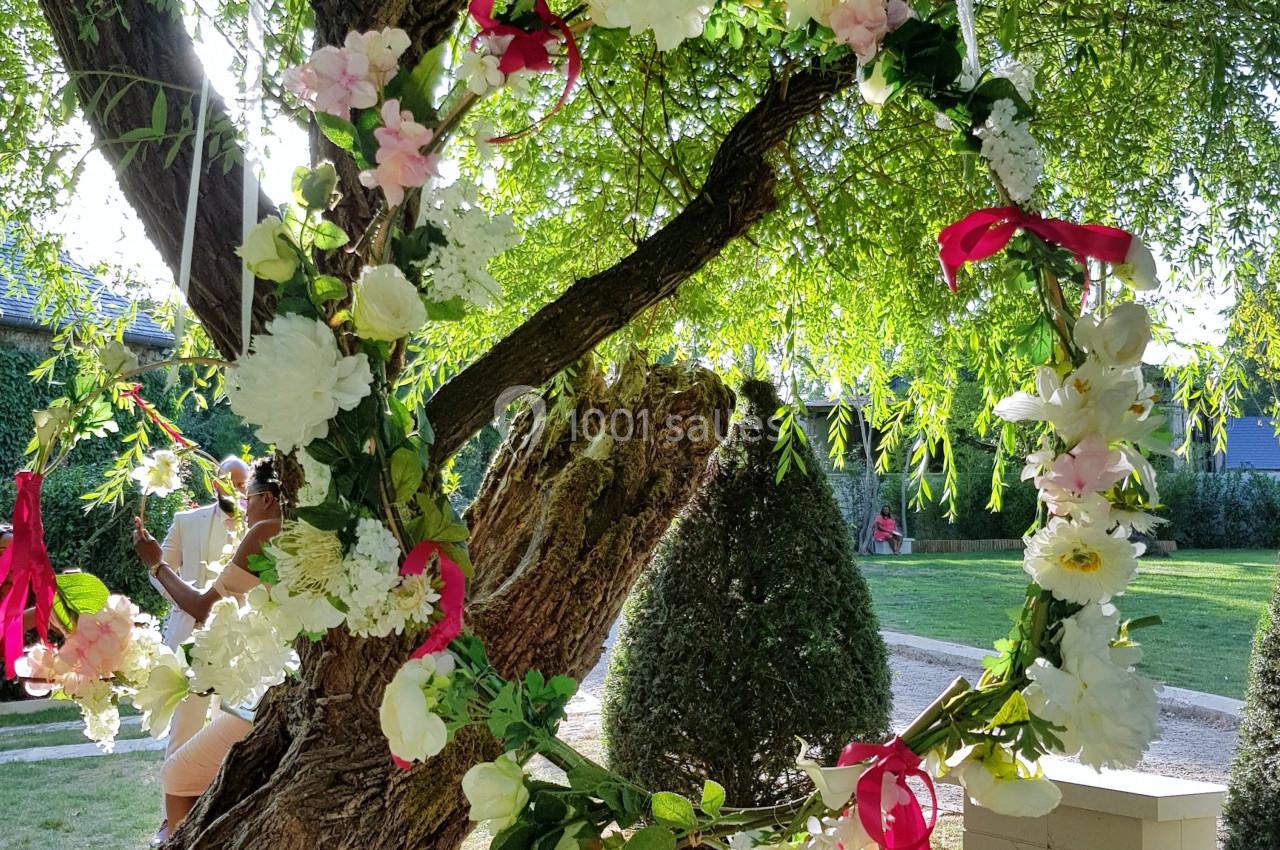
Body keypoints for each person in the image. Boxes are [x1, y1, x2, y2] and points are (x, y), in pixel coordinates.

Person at [132, 457, 282, 838]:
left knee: (177, 774)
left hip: (267, 691)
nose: (243, 508)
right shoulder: (316, 531)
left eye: (247, 497)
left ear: (266, 499)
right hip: (265, 676)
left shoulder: (267, 530)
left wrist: (155, 565)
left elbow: (204, 606)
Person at [144, 456, 248, 840]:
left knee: (229, 725)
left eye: (242, 483)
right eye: (229, 482)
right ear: (213, 483)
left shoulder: (259, 524)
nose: (235, 490)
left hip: (240, 639)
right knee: (184, 725)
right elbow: (160, 567)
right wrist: (185, 602)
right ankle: (172, 821)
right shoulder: (185, 521)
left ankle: (221, 810)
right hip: (190, 632)